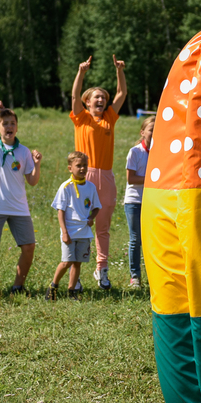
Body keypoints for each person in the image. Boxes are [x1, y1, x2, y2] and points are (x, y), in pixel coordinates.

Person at [69, 55, 127, 289]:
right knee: (81, 225)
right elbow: (73, 96)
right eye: (97, 97)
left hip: (106, 178)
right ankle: (76, 274)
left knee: (102, 228)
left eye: (103, 97)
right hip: (84, 178)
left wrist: (119, 71)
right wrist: (81, 72)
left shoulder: (109, 119)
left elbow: (121, 95)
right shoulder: (80, 118)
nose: (101, 100)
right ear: (88, 102)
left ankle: (101, 270)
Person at [0, 100, 42, 296]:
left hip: (18, 208)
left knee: (29, 247)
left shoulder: (24, 151)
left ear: (17, 127)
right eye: (4, 123)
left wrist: (37, 164)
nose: (9, 127)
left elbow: (32, 181)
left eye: (12, 123)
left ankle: (18, 287)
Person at [47, 151, 101, 300]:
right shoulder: (66, 187)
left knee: (77, 263)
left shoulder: (90, 187)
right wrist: (64, 232)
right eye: (78, 166)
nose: (82, 168)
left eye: (85, 165)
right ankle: (53, 286)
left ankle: (72, 291)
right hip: (70, 232)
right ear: (70, 168)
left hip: (84, 232)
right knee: (66, 262)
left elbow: (96, 207)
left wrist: (91, 218)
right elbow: (60, 211)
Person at [122, 116, 154, 288]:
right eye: (151, 130)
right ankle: (135, 277)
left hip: (152, 201)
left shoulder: (160, 153)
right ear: (143, 132)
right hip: (134, 202)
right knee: (136, 239)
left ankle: (153, 276)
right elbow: (131, 178)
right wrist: (152, 178)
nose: (154, 133)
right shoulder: (135, 152)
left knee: (151, 239)